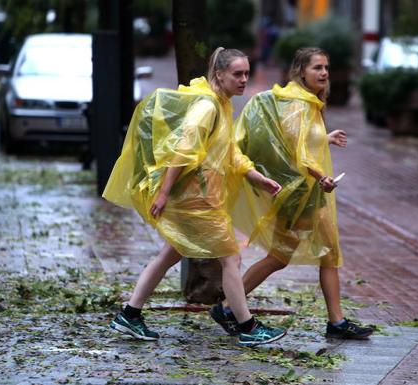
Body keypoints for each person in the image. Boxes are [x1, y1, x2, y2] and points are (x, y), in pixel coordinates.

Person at [102, 48, 287, 346]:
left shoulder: (222, 105)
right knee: (231, 258)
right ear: (219, 74)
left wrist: (258, 177)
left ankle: (129, 315)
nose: (243, 80)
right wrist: (163, 194)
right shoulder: (207, 108)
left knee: (169, 254)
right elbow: (182, 151)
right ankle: (247, 327)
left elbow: (230, 154)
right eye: (237, 74)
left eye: (246, 74)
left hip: (202, 197)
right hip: (196, 200)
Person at [210, 47, 374, 340]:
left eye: (326, 67)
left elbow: (293, 140)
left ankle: (337, 322)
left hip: (310, 192)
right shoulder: (298, 104)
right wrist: (320, 175)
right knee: (280, 256)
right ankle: (226, 307)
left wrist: (324, 137)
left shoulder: (304, 101)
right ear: (301, 72)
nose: (324, 73)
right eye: (317, 68)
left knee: (329, 254)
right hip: (300, 194)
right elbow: (296, 152)